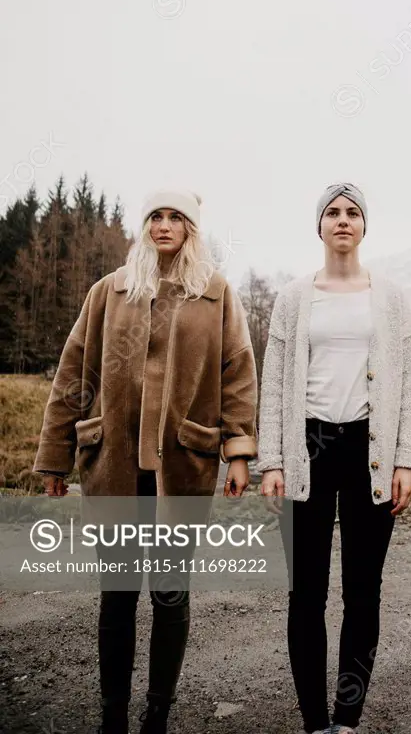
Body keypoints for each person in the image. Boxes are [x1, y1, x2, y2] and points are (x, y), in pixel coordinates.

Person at [33, 189, 258, 734]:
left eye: (174, 217)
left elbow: (238, 375)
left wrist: (239, 452)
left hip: (183, 462)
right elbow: (73, 375)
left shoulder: (215, 294)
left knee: (169, 591)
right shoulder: (109, 292)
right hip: (113, 463)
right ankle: (113, 715)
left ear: (191, 229)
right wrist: (54, 457)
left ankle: (156, 712)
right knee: (117, 592)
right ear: (144, 226)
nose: (163, 225)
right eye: (154, 216)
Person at [258, 182, 411, 734]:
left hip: (369, 452)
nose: (343, 220)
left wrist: (406, 460)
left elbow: (407, 388)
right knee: (305, 591)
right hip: (307, 448)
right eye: (333, 212)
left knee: (362, 591)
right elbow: (274, 384)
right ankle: (313, 721)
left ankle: (346, 720)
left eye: (353, 212)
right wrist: (273, 461)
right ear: (320, 226)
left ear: (365, 226)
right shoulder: (294, 297)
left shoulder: (392, 299)